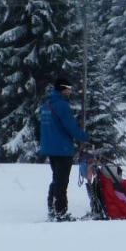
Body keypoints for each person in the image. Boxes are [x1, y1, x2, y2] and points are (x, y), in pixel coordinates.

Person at [40, 78, 89, 221]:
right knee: (62, 182)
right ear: (63, 89)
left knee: (56, 179)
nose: (71, 91)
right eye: (69, 88)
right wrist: (85, 137)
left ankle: (52, 208)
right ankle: (60, 213)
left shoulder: (47, 105)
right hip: (62, 149)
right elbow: (71, 127)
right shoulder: (62, 106)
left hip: (50, 148)